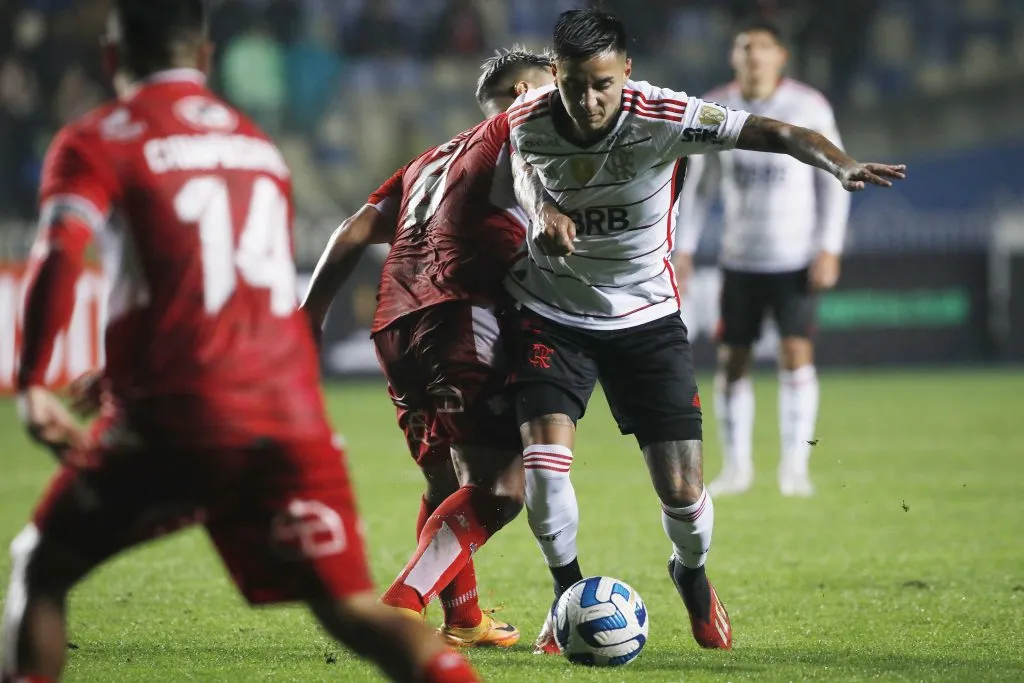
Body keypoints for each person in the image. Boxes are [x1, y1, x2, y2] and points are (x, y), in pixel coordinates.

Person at [1, 3, 480, 682]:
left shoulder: (96, 138)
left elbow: (58, 255)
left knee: (39, 567)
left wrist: (29, 386)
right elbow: (231, 291)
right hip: (287, 414)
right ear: (203, 57)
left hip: (178, 414)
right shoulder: (257, 147)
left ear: (111, 60)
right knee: (351, 613)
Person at [506, 8, 905, 654]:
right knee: (545, 471)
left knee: (684, 494)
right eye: (575, 84)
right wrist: (541, 209)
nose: (589, 99)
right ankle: (565, 596)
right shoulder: (528, 116)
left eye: (603, 83)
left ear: (626, 72)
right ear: (555, 75)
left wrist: (838, 165)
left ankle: (689, 573)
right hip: (554, 313)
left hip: (646, 318)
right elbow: (523, 166)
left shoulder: (663, 114)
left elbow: (773, 131)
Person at [301, 48, 555, 648]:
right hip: (461, 316)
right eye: (552, 90)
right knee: (501, 487)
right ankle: (401, 603)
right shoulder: (523, 128)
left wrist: (310, 315)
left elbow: (355, 227)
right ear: (525, 93)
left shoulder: (430, 158)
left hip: (395, 323)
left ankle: (463, 618)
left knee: (445, 482)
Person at [674, 21, 849, 498]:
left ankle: (795, 468)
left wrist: (829, 246)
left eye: (762, 48)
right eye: (744, 48)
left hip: (794, 257)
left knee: (796, 353)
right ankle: (738, 468)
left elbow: (832, 178)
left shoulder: (809, 106)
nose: (753, 57)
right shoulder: (715, 108)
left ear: (780, 56)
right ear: (734, 57)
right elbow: (698, 188)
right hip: (740, 257)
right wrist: (683, 248)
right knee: (733, 361)